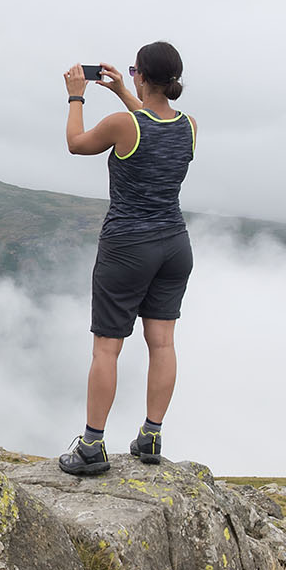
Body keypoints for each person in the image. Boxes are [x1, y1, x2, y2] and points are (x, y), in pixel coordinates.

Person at [57, 41, 196, 476]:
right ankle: (152, 434)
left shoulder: (122, 125)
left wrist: (76, 95)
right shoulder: (189, 126)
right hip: (174, 244)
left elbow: (77, 144)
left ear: (141, 74)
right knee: (163, 343)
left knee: (107, 347)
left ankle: (92, 446)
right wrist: (123, 90)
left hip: (127, 247)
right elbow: (153, 120)